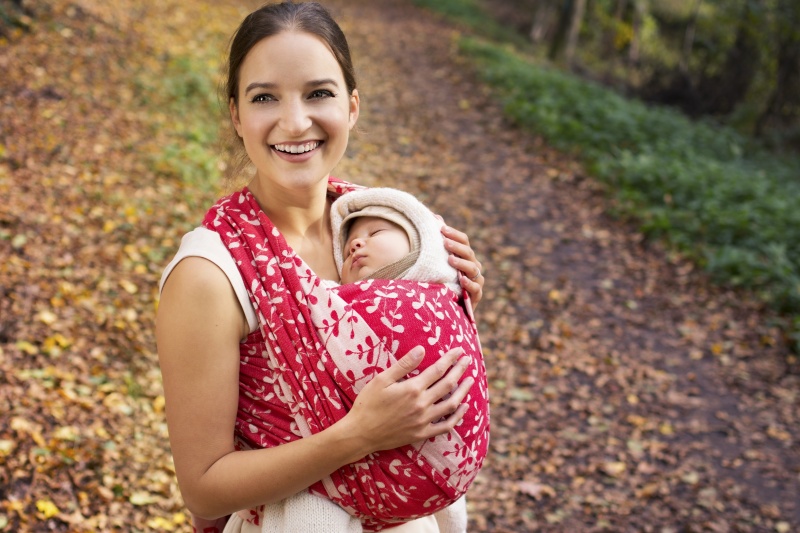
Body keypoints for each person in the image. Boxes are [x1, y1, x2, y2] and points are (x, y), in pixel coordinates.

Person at [156, 3, 486, 532]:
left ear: (351, 106)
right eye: (265, 97)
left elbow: (415, 375)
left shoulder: (382, 228)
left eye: (318, 93)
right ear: (237, 115)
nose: (295, 121)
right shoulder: (211, 273)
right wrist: (357, 436)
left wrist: (452, 310)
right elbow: (204, 488)